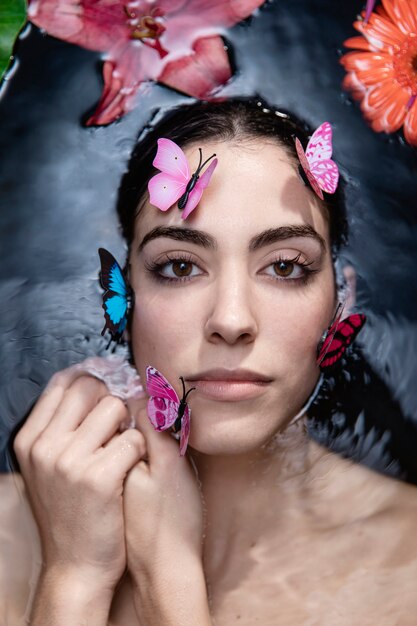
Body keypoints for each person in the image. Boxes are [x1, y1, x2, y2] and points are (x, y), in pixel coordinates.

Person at [4, 99, 417, 625]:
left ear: (342, 301)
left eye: (285, 267)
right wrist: (76, 576)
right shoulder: (6, 534)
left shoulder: (409, 569)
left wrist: (164, 580)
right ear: (125, 298)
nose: (231, 318)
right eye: (179, 266)